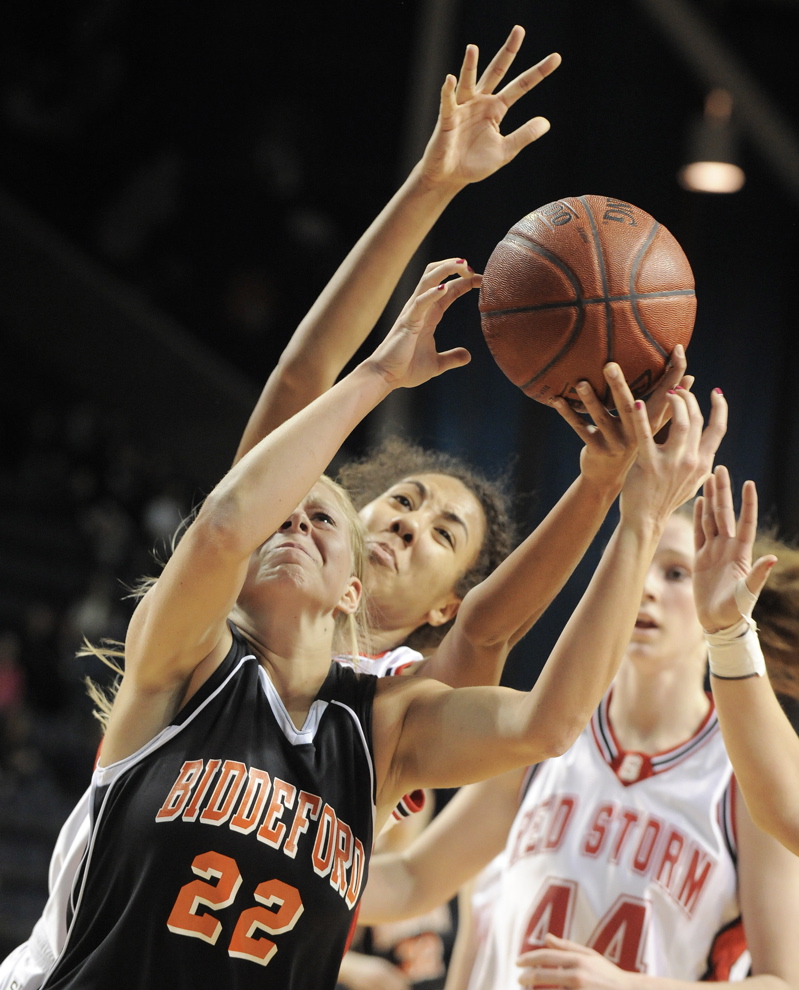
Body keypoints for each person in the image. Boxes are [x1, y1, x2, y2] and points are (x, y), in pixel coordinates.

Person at [4, 239, 721, 990]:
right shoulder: (190, 657)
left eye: (318, 522)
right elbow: (241, 494)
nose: (295, 526)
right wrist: (378, 370)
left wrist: (627, 506)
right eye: (400, 503)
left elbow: (532, 699)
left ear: (350, 585)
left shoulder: (388, 715)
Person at [359, 478, 799, 990]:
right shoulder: (543, 732)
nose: (649, 588)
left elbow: (780, 982)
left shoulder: (750, 777)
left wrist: (626, 986)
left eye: (677, 573)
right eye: (644, 565)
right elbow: (414, 881)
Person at [694, 465, 799, 858]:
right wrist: (726, 634)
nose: (648, 590)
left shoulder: (723, 770)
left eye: (672, 573)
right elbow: (788, 810)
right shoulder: (562, 754)